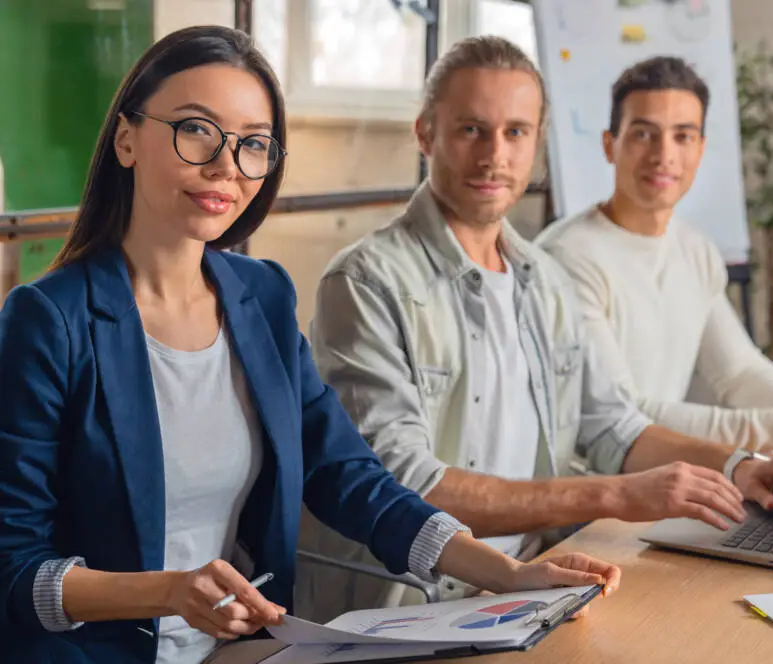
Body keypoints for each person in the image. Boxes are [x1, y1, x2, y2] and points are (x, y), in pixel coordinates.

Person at [0, 27, 623, 664]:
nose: (225, 165)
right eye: (196, 130)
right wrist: (166, 592)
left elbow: (348, 476)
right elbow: (12, 567)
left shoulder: (261, 296)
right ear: (127, 138)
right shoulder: (48, 319)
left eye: (253, 144)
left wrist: (509, 577)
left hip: (236, 649)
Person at [300, 36, 773, 624]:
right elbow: (406, 484)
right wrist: (614, 495)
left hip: (537, 581)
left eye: (516, 132)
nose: (494, 155)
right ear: (425, 133)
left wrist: (738, 465)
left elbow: (611, 422)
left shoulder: (543, 279)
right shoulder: (365, 280)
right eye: (471, 129)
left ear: (538, 144)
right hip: (415, 602)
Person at [537, 55, 773, 450]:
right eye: (643, 134)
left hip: (661, 482)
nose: (663, 155)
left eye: (682, 136)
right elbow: (622, 415)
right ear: (609, 145)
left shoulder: (695, 249)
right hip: (590, 495)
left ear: (701, 150)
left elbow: (738, 373)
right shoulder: (566, 257)